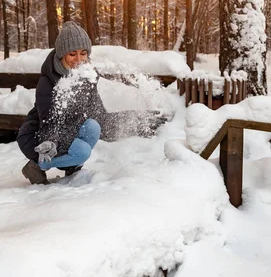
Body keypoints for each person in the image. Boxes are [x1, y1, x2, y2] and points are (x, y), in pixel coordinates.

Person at [17, 21, 166, 185]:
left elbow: (99, 116)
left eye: (83, 53)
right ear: (62, 55)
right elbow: (50, 122)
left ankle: (71, 167)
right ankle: (38, 166)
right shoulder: (48, 82)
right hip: (41, 138)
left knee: (93, 126)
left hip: (67, 130)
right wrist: (50, 143)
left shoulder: (87, 77)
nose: (79, 60)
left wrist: (136, 120)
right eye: (72, 54)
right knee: (81, 151)